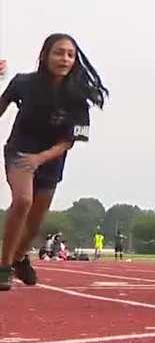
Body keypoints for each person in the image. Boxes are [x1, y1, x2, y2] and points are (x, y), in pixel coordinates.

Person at [0, 34, 108, 290]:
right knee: (23, 200)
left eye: (70, 54)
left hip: (51, 158)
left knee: (37, 219)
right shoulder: (23, 83)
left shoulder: (77, 97)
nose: (65, 58)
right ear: (46, 55)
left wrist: (41, 159)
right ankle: (4, 265)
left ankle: (19, 258)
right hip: (20, 152)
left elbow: (70, 141)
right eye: (59, 52)